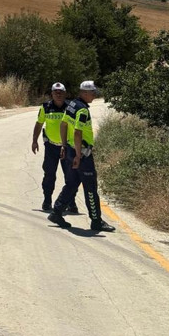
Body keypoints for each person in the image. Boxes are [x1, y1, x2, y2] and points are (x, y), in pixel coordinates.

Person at [48, 80, 115, 233]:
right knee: (90, 187)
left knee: (71, 184)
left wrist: (64, 146)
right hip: (82, 154)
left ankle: (56, 212)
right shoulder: (82, 110)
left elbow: (63, 124)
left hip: (71, 150)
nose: (94, 96)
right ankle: (96, 221)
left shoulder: (71, 105)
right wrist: (79, 155)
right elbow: (78, 132)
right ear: (84, 93)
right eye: (92, 93)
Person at [31, 82, 77, 213]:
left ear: (65, 93)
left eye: (61, 92)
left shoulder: (71, 107)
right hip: (51, 147)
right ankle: (47, 201)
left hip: (68, 147)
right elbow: (39, 124)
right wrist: (34, 141)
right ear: (51, 93)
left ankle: (71, 202)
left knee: (70, 176)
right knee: (49, 175)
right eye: (55, 92)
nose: (58, 94)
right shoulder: (45, 107)